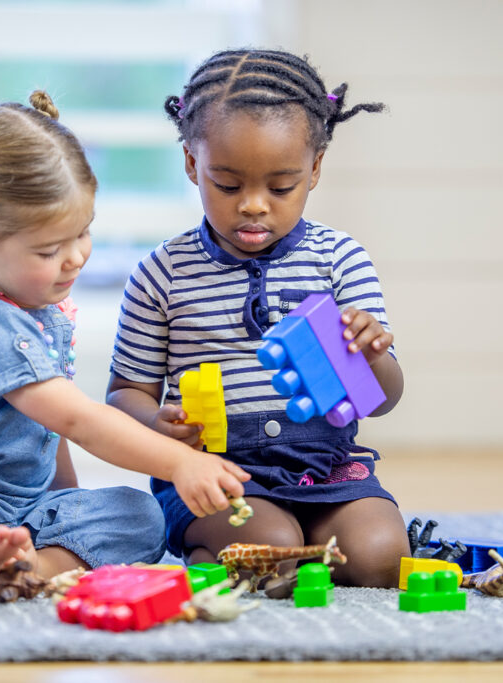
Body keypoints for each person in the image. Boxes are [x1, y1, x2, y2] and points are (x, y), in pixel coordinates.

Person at [0, 91, 249, 580]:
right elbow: (78, 420)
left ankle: (27, 567)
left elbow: (50, 430)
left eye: (83, 232)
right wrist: (180, 462)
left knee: (144, 515)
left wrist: (66, 510)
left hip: (10, 518)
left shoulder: (40, 310)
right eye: (51, 248)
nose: (76, 257)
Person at [106, 49, 410, 588]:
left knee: (380, 556)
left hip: (328, 465)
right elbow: (125, 394)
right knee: (272, 549)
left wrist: (372, 356)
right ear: (191, 164)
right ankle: (225, 546)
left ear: (314, 170)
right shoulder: (162, 273)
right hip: (215, 474)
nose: (253, 205)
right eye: (228, 185)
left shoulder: (340, 259)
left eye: (280, 186)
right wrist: (158, 426)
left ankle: (296, 543)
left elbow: (382, 400)